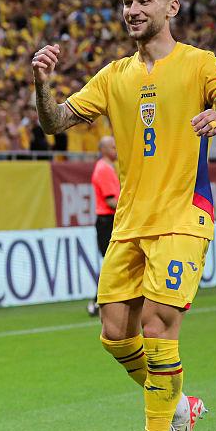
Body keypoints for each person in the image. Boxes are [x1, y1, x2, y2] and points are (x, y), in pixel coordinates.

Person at [32, 0, 216, 431]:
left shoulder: (199, 63)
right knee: (115, 334)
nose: (132, 10)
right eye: (127, 1)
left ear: (171, 8)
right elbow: (54, 122)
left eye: (143, 1)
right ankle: (180, 404)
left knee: (158, 328)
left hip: (183, 215)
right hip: (130, 222)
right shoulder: (114, 75)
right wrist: (42, 86)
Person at [87, 135, 119, 317]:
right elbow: (111, 201)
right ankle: (97, 301)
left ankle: (99, 301)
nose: (116, 149)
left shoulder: (107, 167)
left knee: (112, 263)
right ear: (104, 150)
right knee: (112, 263)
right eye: (113, 147)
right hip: (108, 220)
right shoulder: (104, 169)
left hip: (108, 220)